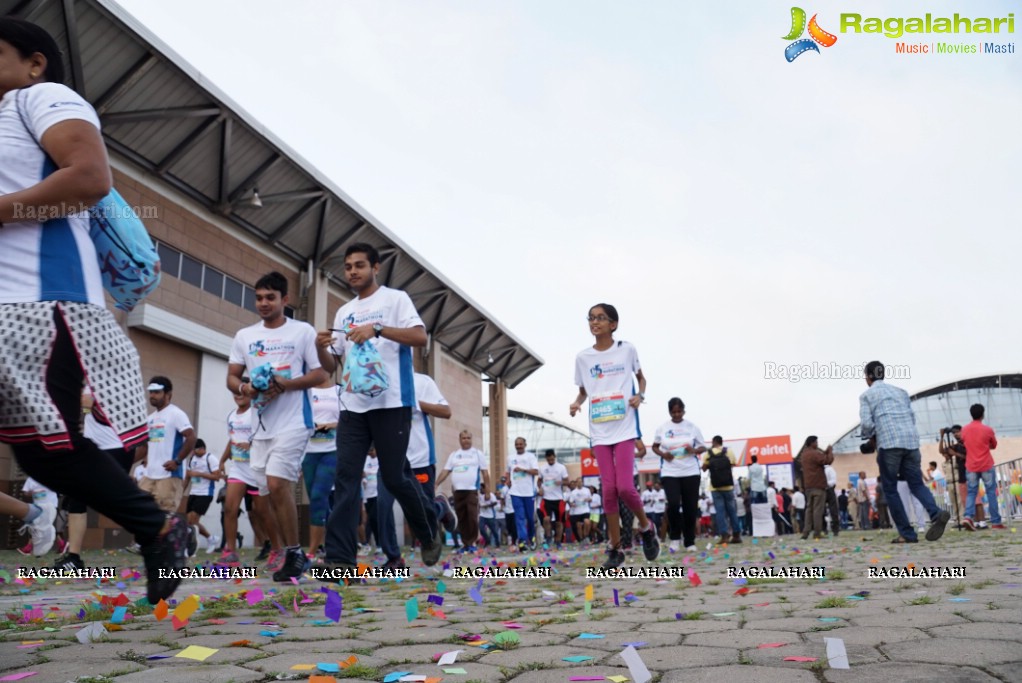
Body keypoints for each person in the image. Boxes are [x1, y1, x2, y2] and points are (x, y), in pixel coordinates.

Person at [0, 18, 186, 602]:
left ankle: (154, 525)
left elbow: (89, 178)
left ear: (34, 62)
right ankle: (153, 526)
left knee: (49, 450)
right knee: (44, 451)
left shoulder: (42, 98)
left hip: (42, 304)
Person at [319, 243, 445, 571]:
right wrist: (323, 348)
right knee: (346, 478)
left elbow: (420, 338)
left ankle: (429, 528)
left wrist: (376, 329)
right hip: (353, 406)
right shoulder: (343, 312)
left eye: (359, 265)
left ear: (376, 267)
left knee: (394, 477)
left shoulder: (395, 299)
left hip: (392, 404)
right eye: (347, 266)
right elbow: (333, 365)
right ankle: (340, 561)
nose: (352, 272)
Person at [228, 272, 329, 580]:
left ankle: (296, 553)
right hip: (260, 426)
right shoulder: (245, 335)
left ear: (285, 300)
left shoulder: (302, 332)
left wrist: (287, 384)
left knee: (276, 483)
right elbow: (232, 377)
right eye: (259, 298)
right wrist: (247, 389)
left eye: (270, 298)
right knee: (265, 495)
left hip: (295, 421)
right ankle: (289, 552)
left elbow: (321, 373)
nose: (263, 303)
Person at [570, 304, 660, 568]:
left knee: (624, 487)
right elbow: (584, 390)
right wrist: (576, 403)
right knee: (608, 490)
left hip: (624, 427)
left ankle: (646, 528)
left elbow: (642, 378)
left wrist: (639, 396)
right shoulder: (583, 357)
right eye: (591, 318)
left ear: (614, 324)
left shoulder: (626, 349)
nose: (594, 322)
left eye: (601, 318)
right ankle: (616, 547)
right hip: (599, 431)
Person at [859, 360, 950, 543]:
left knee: (890, 489)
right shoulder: (901, 392)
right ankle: (935, 513)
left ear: (868, 377)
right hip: (911, 443)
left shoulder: (866, 395)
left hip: (889, 445)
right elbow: (911, 417)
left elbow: (867, 425)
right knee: (917, 484)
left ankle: (907, 533)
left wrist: (868, 438)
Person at [375, 371, 452, 568]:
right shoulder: (377, 380)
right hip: (390, 456)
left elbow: (446, 411)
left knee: (420, 510)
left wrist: (414, 403)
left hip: (419, 458)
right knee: (383, 506)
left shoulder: (422, 381)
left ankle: (440, 508)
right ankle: (393, 558)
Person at [53, 389, 136, 570]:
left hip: (113, 450)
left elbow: (85, 403)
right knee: (78, 497)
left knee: (120, 503)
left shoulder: (101, 381)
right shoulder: (93, 381)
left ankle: (167, 534)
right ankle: (73, 558)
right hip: (99, 451)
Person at [216, 388, 270, 566]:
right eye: (235, 392)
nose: (239, 395)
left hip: (256, 469)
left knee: (262, 513)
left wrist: (252, 445)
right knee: (230, 509)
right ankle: (230, 551)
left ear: (250, 393)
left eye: (243, 392)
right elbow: (231, 440)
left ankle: (276, 547)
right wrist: (222, 460)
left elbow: (268, 436)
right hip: (238, 469)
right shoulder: (231, 416)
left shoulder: (257, 413)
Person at [137, 377, 197, 516]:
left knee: (165, 517)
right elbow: (144, 447)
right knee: (140, 512)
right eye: (151, 392)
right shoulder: (150, 418)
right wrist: (124, 464)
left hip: (169, 476)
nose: (152, 395)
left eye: (157, 392)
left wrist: (177, 461)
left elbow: (191, 437)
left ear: (168, 394)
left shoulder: (176, 414)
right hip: (149, 475)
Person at [436, 430, 490, 553]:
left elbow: (485, 473)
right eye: (463, 438)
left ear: (471, 439)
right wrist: (436, 483)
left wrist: (487, 490)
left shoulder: (477, 454)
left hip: (471, 491)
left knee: (472, 516)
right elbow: (446, 471)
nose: (466, 440)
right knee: (461, 518)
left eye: (468, 438)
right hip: (457, 492)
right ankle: (465, 544)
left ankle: (472, 543)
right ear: (460, 440)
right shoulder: (454, 454)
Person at [303, 378, 339, 560]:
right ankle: (331, 542)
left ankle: (311, 551)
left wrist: (333, 425)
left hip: (332, 451)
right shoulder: (305, 391)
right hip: (308, 453)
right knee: (318, 503)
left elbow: (351, 419)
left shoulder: (339, 391)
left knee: (319, 496)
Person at [960, 404, 1004, 530]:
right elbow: (994, 445)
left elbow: (964, 442)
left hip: (971, 465)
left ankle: (968, 516)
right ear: (983, 414)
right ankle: (996, 522)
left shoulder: (965, 430)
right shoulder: (988, 429)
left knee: (972, 493)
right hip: (986, 465)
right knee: (991, 492)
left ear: (971, 414)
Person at [182, 439, 220, 555]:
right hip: (193, 492)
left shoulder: (211, 458)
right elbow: (188, 477)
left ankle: (191, 549)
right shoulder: (192, 459)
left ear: (202, 449)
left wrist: (199, 474)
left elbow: (217, 477)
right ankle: (211, 539)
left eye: (195, 450)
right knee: (189, 522)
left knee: (193, 520)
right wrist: (181, 492)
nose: (193, 453)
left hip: (205, 493)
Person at [702, 436, 742, 544]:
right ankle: (736, 535)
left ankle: (724, 536)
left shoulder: (708, 453)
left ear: (714, 442)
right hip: (728, 486)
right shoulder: (728, 451)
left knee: (720, 512)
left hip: (715, 487)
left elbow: (704, 468)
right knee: (732, 511)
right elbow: (733, 464)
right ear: (722, 442)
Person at [798, 436, 833, 540]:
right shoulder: (814, 453)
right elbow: (828, 461)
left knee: (809, 510)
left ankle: (805, 532)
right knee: (818, 510)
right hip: (818, 486)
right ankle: (817, 532)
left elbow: (820, 458)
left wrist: (825, 452)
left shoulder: (804, 454)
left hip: (808, 486)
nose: (817, 444)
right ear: (812, 443)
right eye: (816, 442)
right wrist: (830, 452)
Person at [506, 437, 538, 551]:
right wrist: (508, 481)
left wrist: (523, 470)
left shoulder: (531, 457)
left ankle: (532, 537)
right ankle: (522, 541)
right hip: (515, 492)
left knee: (529, 518)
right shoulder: (510, 458)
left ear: (525, 444)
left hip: (528, 492)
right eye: (516, 444)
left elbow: (536, 471)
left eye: (520, 444)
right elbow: (508, 471)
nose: (518, 446)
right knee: (519, 517)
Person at [538, 449, 569, 548]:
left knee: (559, 522)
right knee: (546, 519)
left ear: (554, 457)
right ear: (546, 458)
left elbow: (567, 481)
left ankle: (558, 541)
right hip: (547, 498)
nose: (550, 460)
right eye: (549, 459)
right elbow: (539, 481)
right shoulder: (542, 468)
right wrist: (540, 488)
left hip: (558, 499)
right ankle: (548, 538)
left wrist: (561, 482)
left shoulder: (561, 467)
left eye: (552, 459)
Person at [939, 425, 967, 523]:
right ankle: (958, 520)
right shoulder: (955, 446)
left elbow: (967, 457)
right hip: (951, 483)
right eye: (953, 432)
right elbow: (942, 451)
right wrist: (942, 437)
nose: (955, 434)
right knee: (954, 503)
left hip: (960, 479)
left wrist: (954, 454)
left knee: (960, 502)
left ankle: (963, 520)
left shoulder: (965, 443)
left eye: (957, 432)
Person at [567, 479, 593, 545]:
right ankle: (581, 539)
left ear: (582, 483)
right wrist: (572, 504)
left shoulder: (586, 490)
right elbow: (571, 502)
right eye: (578, 482)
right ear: (576, 483)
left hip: (585, 509)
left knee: (587, 522)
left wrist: (588, 499)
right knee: (578, 526)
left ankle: (586, 535)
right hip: (577, 511)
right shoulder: (573, 492)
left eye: (581, 482)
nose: (580, 483)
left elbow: (590, 499)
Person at [478, 483, 500, 547]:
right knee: (481, 528)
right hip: (482, 515)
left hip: (490, 516)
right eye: (480, 489)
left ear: (484, 489)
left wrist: (487, 506)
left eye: (481, 489)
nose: (480, 490)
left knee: (493, 530)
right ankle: (487, 540)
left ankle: (497, 543)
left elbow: (495, 502)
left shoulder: (491, 494)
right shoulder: (480, 495)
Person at [824, 463, 840, 535]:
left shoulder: (829, 469)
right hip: (825, 490)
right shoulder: (827, 469)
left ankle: (835, 528)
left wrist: (824, 484)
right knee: (822, 511)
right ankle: (825, 528)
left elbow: (833, 481)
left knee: (833, 510)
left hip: (828, 489)